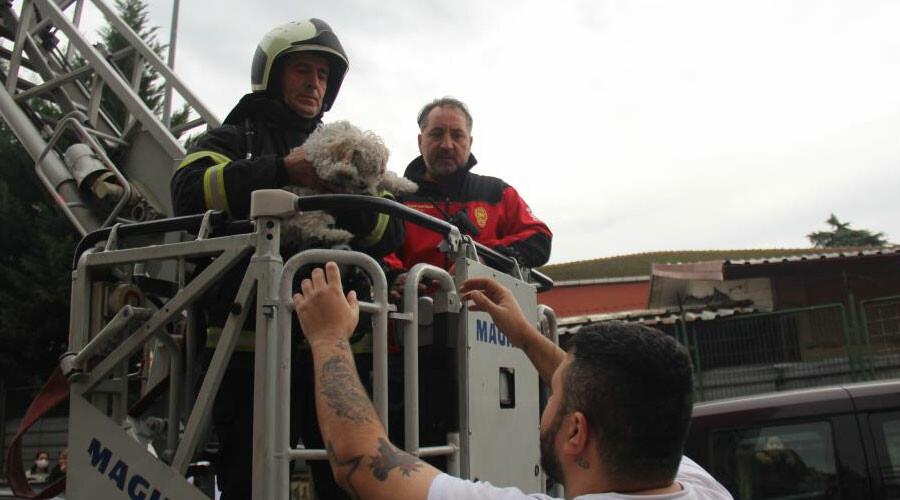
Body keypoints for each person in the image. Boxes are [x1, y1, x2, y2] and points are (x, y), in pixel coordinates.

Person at [171, 19, 403, 500]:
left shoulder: (343, 148)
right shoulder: (233, 139)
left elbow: (390, 230)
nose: (314, 84)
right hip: (247, 348)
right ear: (272, 75)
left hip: (338, 352)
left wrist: (349, 194)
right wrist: (281, 170)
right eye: (302, 69)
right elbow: (190, 191)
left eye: (323, 75)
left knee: (348, 480)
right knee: (249, 481)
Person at [291, 262, 734, 500]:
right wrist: (524, 336)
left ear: (577, 432)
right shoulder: (704, 489)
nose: (547, 401)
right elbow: (613, 392)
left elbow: (361, 462)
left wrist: (329, 337)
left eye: (554, 395)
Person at [387, 97, 552, 276]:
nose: (447, 145)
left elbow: (540, 240)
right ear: (420, 142)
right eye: (437, 134)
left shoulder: (497, 193)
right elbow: (380, 250)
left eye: (457, 135)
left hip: (487, 302)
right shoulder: (396, 198)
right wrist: (394, 277)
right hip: (411, 301)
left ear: (470, 143)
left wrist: (485, 258)